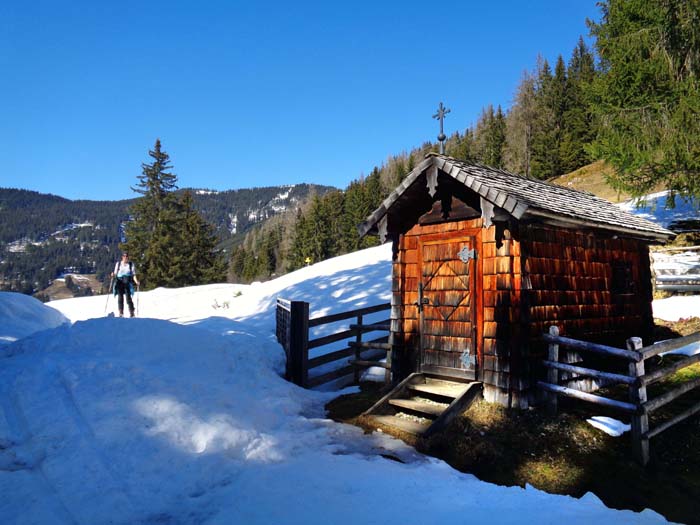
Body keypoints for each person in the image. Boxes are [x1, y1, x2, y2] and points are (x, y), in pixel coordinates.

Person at [111, 252, 140, 317]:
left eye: (126, 256)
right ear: (122, 257)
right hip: (119, 281)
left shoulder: (131, 264)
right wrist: (113, 275)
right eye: (124, 256)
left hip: (127, 282)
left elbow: (133, 274)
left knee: (128, 297)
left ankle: (131, 312)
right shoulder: (118, 264)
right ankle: (121, 312)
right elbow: (115, 273)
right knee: (120, 297)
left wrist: (136, 281)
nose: (125, 257)